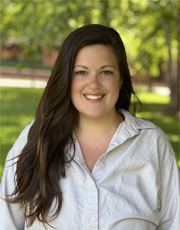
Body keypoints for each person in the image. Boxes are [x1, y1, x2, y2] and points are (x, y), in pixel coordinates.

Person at [0, 24, 179, 230]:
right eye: (81, 72)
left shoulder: (152, 144)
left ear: (121, 78)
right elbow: (6, 223)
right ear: (66, 78)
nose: (93, 84)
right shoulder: (34, 139)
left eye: (106, 72)